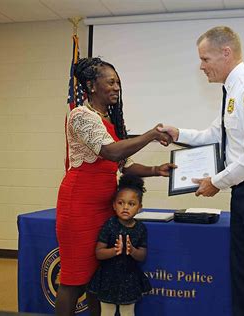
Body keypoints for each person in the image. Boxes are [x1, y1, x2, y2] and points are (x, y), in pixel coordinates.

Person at [160, 26, 244, 316]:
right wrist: (177, 132)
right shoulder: (232, 90)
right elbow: (216, 134)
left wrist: (216, 182)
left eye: (205, 59)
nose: (201, 66)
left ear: (226, 53)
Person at [55, 57, 174, 316]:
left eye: (118, 82)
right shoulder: (80, 115)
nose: (116, 87)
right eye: (110, 82)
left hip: (104, 209)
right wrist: (151, 134)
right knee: (74, 281)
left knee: (99, 280)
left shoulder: (108, 119)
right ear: (91, 85)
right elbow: (109, 151)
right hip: (79, 208)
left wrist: (156, 170)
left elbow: (125, 164)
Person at [88, 174, 151, 316]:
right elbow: (99, 252)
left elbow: (142, 255)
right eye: (121, 203)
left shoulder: (140, 228)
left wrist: (133, 250)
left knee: (128, 311)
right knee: (107, 311)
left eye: (131, 204)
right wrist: (114, 251)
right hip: (108, 278)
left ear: (139, 207)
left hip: (129, 279)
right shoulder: (110, 225)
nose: (125, 207)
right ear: (114, 205)